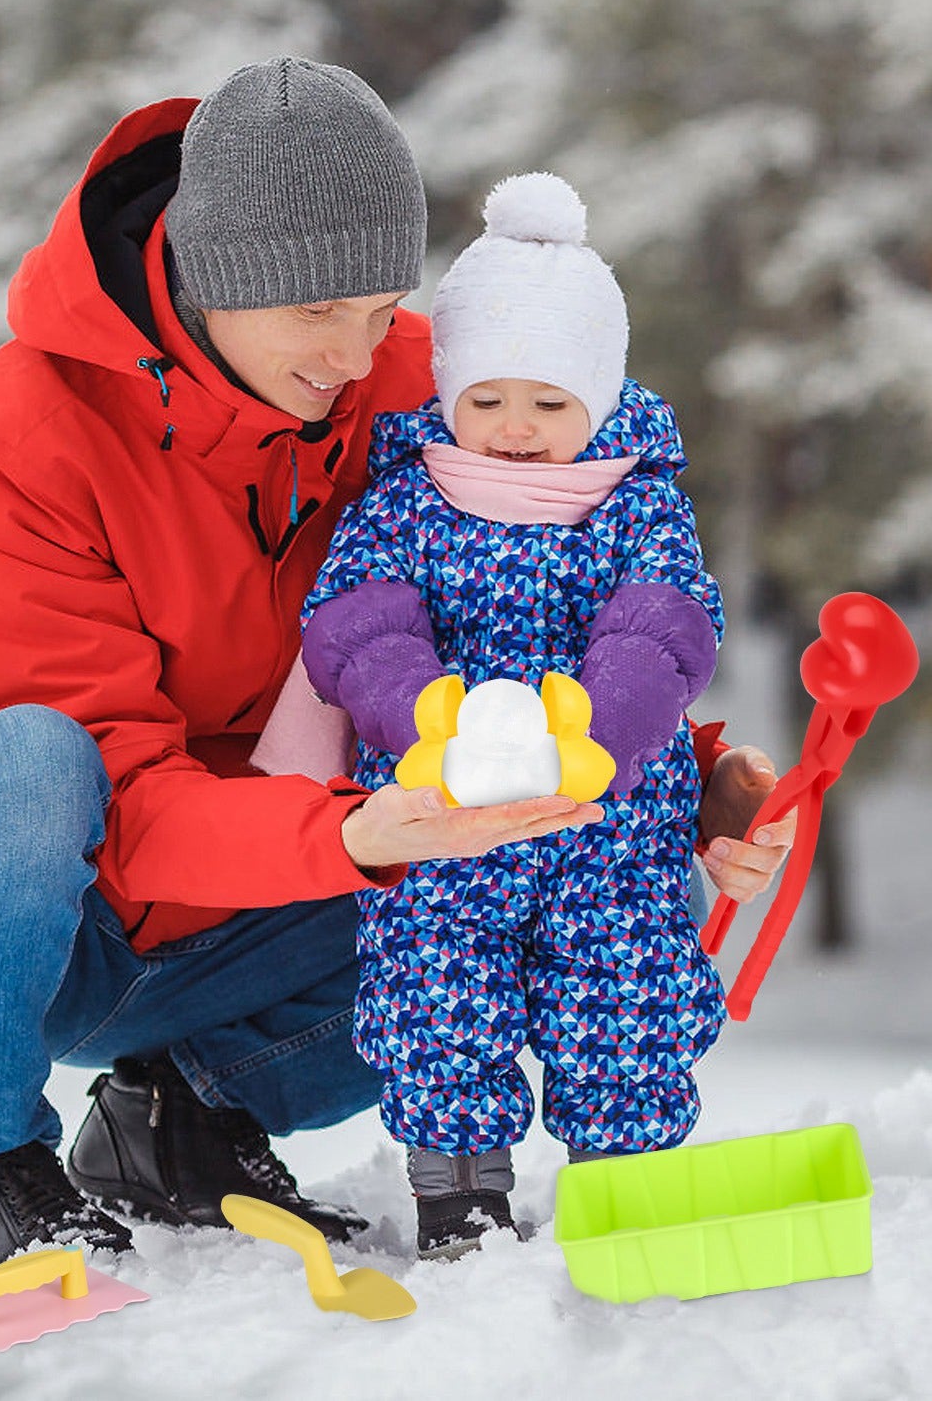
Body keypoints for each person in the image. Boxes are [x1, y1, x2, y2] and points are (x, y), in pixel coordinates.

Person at [0, 56, 793, 1269]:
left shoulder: (425, 392)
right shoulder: (14, 444)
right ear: (218, 280)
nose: (357, 351)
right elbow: (112, 795)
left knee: (477, 905)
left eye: (385, 307)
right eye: (319, 312)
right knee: (35, 764)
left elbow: (530, 619)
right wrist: (346, 838)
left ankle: (182, 1118)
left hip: (246, 900)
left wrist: (671, 782)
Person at [299, 172, 727, 1256]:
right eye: (486, 400)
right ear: (447, 389)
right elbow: (356, 624)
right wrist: (418, 712)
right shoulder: (404, 498)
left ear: (600, 394)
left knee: (625, 997)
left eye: (549, 403)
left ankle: (625, 1188)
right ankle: (458, 1191)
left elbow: (665, 629)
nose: (516, 431)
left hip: (607, 826)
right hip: (445, 816)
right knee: (437, 995)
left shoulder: (636, 500)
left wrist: (603, 730)